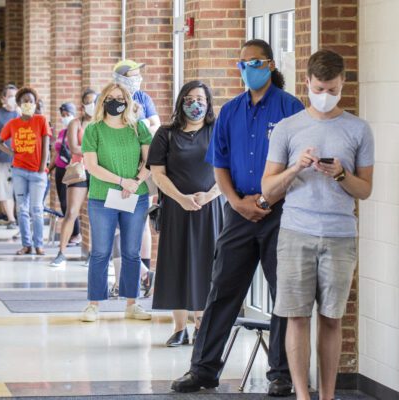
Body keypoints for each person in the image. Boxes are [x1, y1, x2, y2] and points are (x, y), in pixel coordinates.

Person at [171, 39, 304, 396]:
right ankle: (203, 370)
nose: (248, 69)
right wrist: (237, 202)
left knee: (284, 295)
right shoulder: (230, 111)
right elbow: (220, 164)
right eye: (242, 63)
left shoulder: (292, 108)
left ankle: (281, 374)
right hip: (238, 212)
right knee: (222, 291)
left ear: (271, 64)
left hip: (282, 212)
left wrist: (262, 199)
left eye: (255, 62)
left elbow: (296, 167)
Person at [261, 49, 374, 400]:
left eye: (333, 89)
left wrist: (341, 174)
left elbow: (366, 190)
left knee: (331, 317)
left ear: (343, 85)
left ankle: (327, 395)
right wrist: (296, 168)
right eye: (320, 88)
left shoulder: (358, 129)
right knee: (296, 316)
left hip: (340, 235)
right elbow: (268, 189)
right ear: (307, 82)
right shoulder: (287, 127)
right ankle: (301, 394)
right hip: (296, 232)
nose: (325, 96)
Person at [147, 80, 224, 347]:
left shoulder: (217, 131)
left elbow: (229, 170)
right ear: (181, 101)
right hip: (176, 208)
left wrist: (210, 195)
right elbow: (158, 173)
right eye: (190, 99)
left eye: (201, 99)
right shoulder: (166, 133)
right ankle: (180, 327)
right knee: (176, 262)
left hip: (209, 208)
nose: (195, 104)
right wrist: (180, 198)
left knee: (208, 263)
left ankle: (202, 322)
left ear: (209, 103)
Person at [80, 82, 153, 323]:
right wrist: (123, 181)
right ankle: (93, 304)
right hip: (102, 197)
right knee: (101, 251)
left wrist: (135, 181)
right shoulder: (94, 130)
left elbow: (149, 161)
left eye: (120, 97)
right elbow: (91, 166)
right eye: (110, 97)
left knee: (132, 252)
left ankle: (132, 303)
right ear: (102, 102)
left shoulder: (138, 127)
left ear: (128, 101)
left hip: (135, 196)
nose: (115, 101)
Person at [113, 59, 162, 295]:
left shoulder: (144, 98)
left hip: (141, 172)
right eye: (133, 74)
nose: (138, 78)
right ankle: (135, 276)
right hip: (118, 172)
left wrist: (140, 121)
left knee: (140, 224)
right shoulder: (112, 98)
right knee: (118, 225)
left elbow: (156, 126)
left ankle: (142, 274)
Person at [0, 87, 51, 255]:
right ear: (19, 104)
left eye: (31, 101)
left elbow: (46, 145)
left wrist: (42, 166)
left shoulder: (41, 120)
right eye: (24, 101)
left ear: (35, 104)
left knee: (36, 209)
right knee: (22, 209)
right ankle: (26, 244)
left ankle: (38, 244)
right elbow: (0, 141)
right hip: (19, 170)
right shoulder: (13, 124)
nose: (28, 103)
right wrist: (11, 153)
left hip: (37, 172)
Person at [50, 90, 97, 268]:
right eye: (87, 101)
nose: (91, 105)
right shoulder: (75, 124)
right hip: (79, 170)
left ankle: (94, 254)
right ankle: (61, 253)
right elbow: (74, 148)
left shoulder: (102, 124)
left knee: (95, 214)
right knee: (71, 212)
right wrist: (95, 151)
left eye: (94, 101)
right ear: (82, 105)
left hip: (98, 172)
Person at [48, 102, 78, 253]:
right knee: (63, 202)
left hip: (71, 170)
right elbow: (56, 154)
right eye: (63, 115)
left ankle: (76, 233)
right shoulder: (61, 134)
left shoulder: (77, 131)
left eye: (67, 115)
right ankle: (72, 233)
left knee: (70, 203)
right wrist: (48, 169)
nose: (65, 118)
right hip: (59, 170)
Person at [0, 84, 19, 228]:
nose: (14, 99)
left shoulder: (21, 114)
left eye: (15, 96)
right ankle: (11, 219)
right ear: (3, 98)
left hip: (21, 160)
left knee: (18, 190)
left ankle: (17, 216)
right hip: (2, 159)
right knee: (4, 189)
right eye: (11, 96)